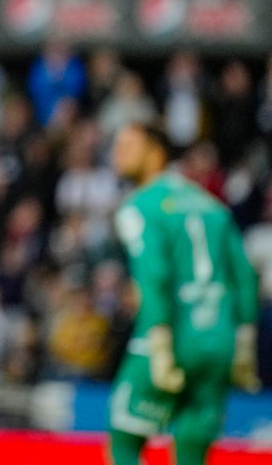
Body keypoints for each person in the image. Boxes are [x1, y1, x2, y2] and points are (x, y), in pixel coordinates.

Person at [108, 121, 260, 465]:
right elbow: (246, 277)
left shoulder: (139, 206)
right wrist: (245, 341)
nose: (117, 153)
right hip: (219, 341)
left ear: (155, 152)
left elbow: (155, 274)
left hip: (171, 336)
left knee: (124, 442)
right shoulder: (211, 204)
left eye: (128, 145)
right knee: (192, 451)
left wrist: (159, 337)